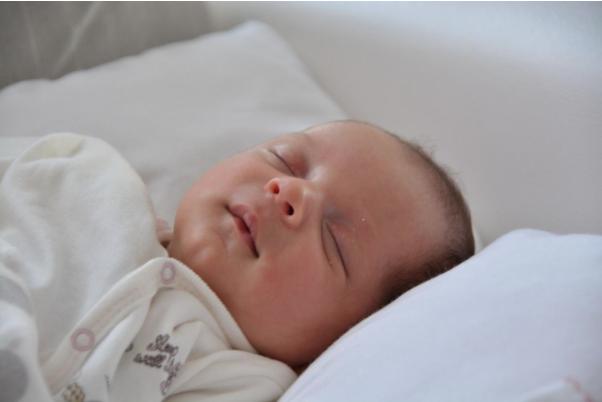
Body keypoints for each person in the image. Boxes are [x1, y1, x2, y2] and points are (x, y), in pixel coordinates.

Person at [0, 120, 473, 402]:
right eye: (284, 160)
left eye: (334, 240)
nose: (289, 191)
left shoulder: (239, 385)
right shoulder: (87, 180)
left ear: (343, 340)